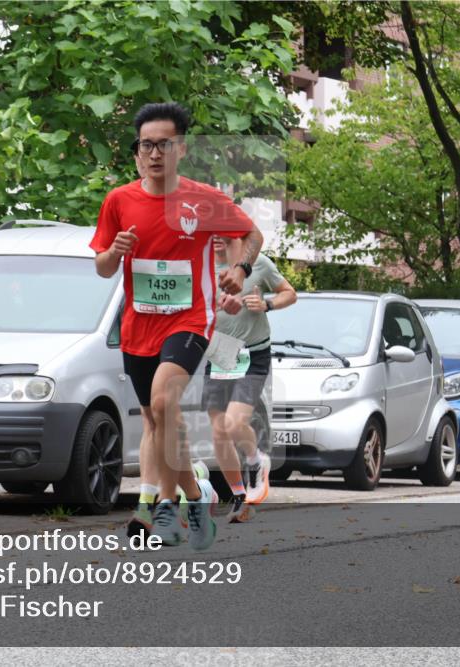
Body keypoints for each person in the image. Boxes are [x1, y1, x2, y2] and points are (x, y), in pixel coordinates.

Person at [92, 102, 265, 549]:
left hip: (190, 320)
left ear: (181, 148)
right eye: (145, 145)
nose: (153, 153)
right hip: (138, 327)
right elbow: (102, 268)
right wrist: (116, 250)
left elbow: (252, 236)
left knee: (163, 401)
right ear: (136, 153)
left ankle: (153, 508)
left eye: (163, 144)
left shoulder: (203, 200)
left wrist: (241, 270)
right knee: (157, 419)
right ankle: (194, 495)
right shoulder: (119, 201)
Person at [203, 236, 296, 522]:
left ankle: (256, 460)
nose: (215, 238)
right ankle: (239, 496)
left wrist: (267, 304)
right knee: (219, 432)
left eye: (221, 232)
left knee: (234, 423)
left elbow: (289, 293)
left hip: (252, 354)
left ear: (235, 233)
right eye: (210, 232)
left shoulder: (258, 263)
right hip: (218, 352)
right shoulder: (202, 264)